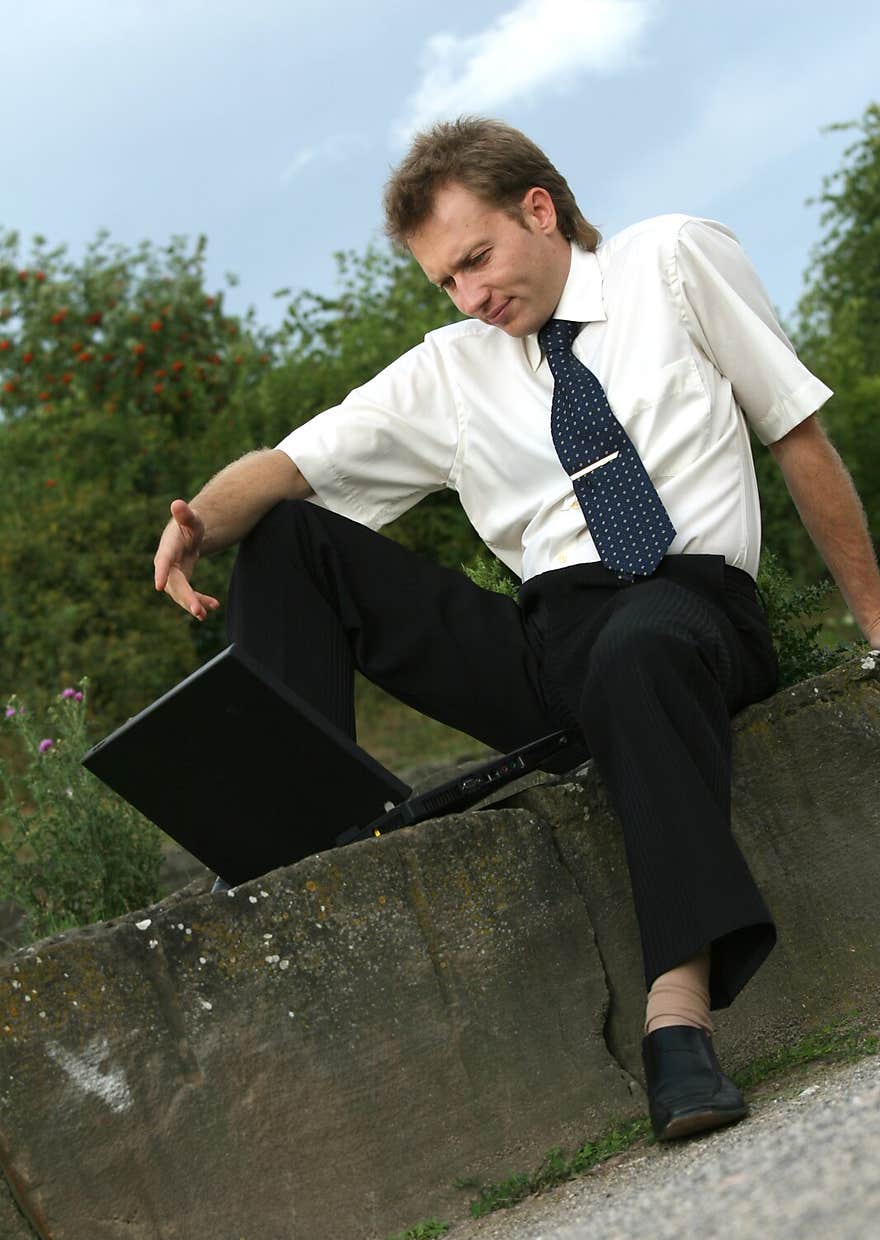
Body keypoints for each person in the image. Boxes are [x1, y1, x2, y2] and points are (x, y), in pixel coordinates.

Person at [153, 118, 880, 1141]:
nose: (469, 296)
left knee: (640, 644)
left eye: (476, 260)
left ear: (538, 208)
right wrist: (194, 526)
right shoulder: (451, 369)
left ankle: (677, 1019)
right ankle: (295, 842)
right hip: (553, 648)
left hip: (690, 616)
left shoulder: (669, 260)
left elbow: (795, 431)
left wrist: (876, 630)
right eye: (444, 282)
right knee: (285, 536)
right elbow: (284, 466)